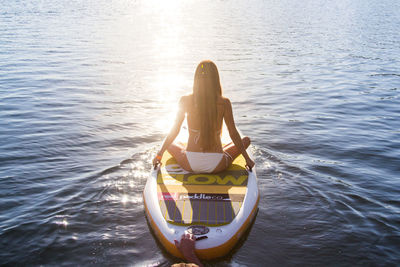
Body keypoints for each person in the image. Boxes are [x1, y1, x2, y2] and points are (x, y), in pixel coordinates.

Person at [152, 60, 255, 173]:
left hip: (190, 163)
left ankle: (183, 150)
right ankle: (221, 153)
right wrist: (247, 159)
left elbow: (175, 129)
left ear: (196, 79)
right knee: (246, 140)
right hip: (216, 164)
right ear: (216, 80)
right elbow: (233, 133)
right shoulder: (224, 103)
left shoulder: (185, 100)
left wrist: (159, 155)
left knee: (170, 144)